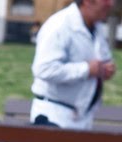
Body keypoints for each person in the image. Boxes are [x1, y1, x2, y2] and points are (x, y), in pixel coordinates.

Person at [29, 0, 116, 130]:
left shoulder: (96, 27)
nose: (111, 4)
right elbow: (44, 69)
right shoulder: (59, 25)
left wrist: (105, 69)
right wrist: (86, 69)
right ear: (87, 2)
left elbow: (102, 59)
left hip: (81, 118)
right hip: (54, 119)